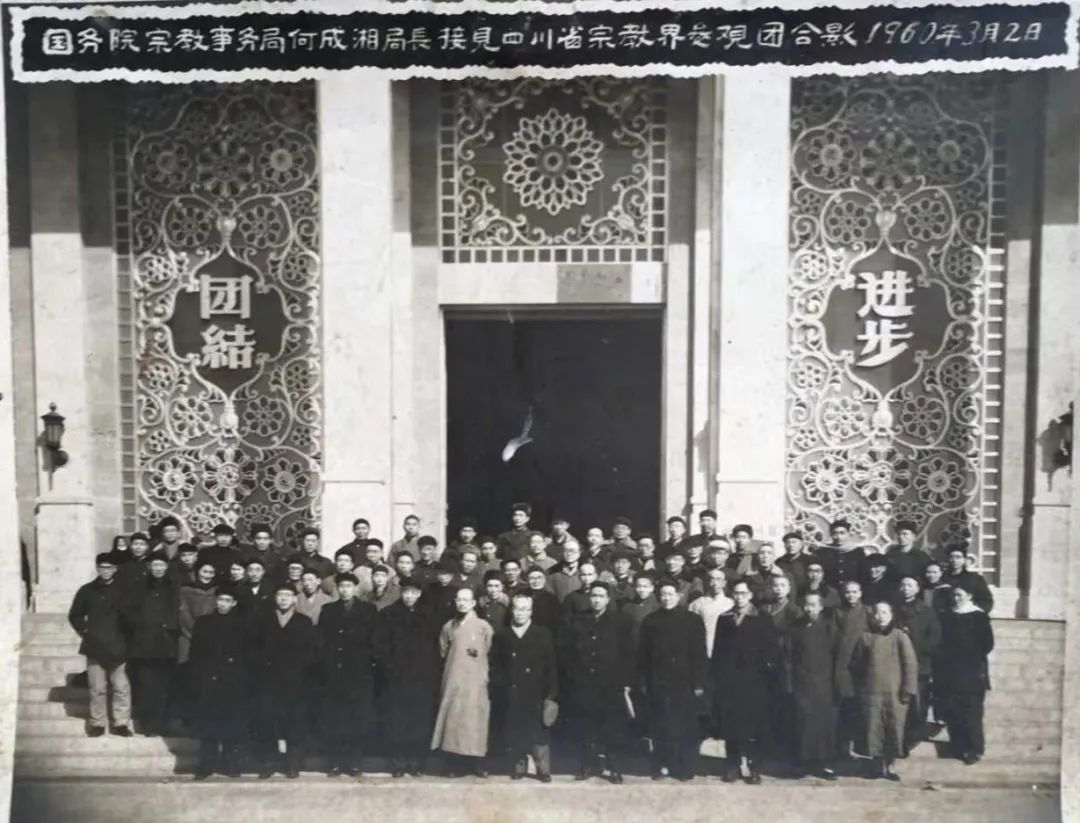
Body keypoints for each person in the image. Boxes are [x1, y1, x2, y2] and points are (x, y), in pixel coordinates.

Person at [561, 581, 632, 783]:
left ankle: (614, 767)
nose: (597, 600)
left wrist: (626, 681)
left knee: (612, 728)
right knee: (586, 726)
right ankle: (587, 765)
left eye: (601, 596)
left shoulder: (621, 621)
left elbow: (628, 653)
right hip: (584, 682)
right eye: (593, 596)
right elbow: (567, 650)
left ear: (608, 599)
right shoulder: (578, 620)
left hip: (610, 683)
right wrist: (573, 675)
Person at [638, 579, 708, 781]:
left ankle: (684, 767)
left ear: (679, 596)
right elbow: (643, 654)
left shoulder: (692, 620)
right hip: (658, 681)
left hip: (684, 683)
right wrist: (643, 682)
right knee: (661, 725)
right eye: (663, 594)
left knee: (685, 726)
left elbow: (699, 654)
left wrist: (698, 684)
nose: (666, 598)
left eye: (670, 594)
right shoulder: (650, 620)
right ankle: (661, 764)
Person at [249, 582, 318, 779]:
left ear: (295, 599)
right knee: (267, 720)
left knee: (294, 722)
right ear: (275, 598)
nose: (284, 599)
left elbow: (311, 651)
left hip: (295, 680)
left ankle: (293, 763)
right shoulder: (263, 620)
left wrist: (298, 667)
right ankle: (268, 762)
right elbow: (252, 647)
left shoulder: (303, 621)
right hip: (268, 680)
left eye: (288, 595)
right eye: (280, 595)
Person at [710, 580, 776, 784]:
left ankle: (755, 768)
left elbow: (770, 650)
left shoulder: (762, 618)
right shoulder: (724, 618)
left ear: (750, 595)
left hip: (754, 681)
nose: (739, 597)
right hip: (729, 681)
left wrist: (765, 676)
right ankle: (732, 766)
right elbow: (718, 650)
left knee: (753, 728)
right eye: (736, 593)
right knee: (731, 726)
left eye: (743, 593)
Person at [375, 579, 441, 777]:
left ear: (419, 594)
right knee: (397, 720)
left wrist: (429, 672)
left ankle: (416, 762)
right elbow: (380, 646)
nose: (409, 596)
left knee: (419, 720)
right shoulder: (388, 614)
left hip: (421, 678)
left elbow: (435, 647)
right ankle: (398, 762)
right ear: (401, 592)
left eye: (413, 592)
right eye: (406, 592)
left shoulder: (429, 615)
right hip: (396, 677)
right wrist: (390, 669)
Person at [490, 593, 558, 782]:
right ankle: (518, 766)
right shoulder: (502, 635)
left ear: (531, 612)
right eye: (517, 609)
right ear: (511, 610)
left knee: (539, 733)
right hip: (511, 691)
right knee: (515, 730)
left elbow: (550, 665)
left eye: (524, 609)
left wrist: (551, 692)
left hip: (536, 691)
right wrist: (499, 685)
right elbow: (495, 665)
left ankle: (543, 769)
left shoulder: (542, 633)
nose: (520, 613)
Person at [848, 601, 918, 781]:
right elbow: (856, 665)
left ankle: (891, 767)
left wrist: (907, 689)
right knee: (873, 731)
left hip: (894, 694)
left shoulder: (899, 636)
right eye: (877, 613)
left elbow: (910, 664)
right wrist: (860, 687)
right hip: (871, 693)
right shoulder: (865, 637)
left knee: (893, 730)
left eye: (885, 613)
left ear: (891, 615)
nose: (881, 617)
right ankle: (876, 766)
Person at [317, 572, 379, 777]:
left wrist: (368, 664)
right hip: (334, 672)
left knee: (357, 718)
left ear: (355, 589)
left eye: (349, 586)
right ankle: (335, 762)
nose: (345, 590)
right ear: (337, 589)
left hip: (359, 672)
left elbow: (374, 640)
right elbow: (321, 640)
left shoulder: (368, 610)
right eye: (342, 586)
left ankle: (355, 762)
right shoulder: (328, 610)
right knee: (335, 718)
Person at [68, 553, 133, 738]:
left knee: (121, 687)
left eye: (109, 567)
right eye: (102, 567)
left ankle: (121, 723)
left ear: (115, 569)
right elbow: (75, 615)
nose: (105, 571)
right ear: (97, 568)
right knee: (97, 688)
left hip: (118, 646)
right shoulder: (87, 590)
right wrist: (85, 632)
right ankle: (97, 723)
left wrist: (127, 638)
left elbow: (132, 617)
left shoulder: (124, 590)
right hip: (95, 646)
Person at [431, 587, 494, 777]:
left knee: (475, 719)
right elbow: (443, 651)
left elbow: (489, 649)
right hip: (453, 677)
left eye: (466, 600)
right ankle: (453, 765)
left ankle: (477, 763)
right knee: (453, 719)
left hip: (476, 679)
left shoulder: (483, 626)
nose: (462, 603)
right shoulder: (448, 626)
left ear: (473, 603)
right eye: (459, 599)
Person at [188, 584, 247, 779]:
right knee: (208, 724)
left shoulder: (241, 624)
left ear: (234, 603)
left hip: (232, 681)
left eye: (227, 601)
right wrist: (200, 675)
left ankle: (231, 764)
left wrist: (238, 675)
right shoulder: (204, 622)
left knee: (231, 723)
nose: (223, 604)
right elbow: (196, 652)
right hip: (209, 680)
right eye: (220, 599)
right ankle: (206, 764)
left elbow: (246, 654)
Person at [935, 584, 995, 764]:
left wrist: (969, 656)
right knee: (953, 711)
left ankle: (974, 749)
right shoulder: (945, 616)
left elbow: (988, 644)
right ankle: (958, 747)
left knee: (972, 713)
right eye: (954, 595)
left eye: (960, 595)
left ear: (969, 596)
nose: (956, 599)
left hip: (972, 673)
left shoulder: (979, 617)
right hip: (950, 672)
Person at [124, 551, 179, 737]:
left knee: (165, 686)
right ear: (149, 567)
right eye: (155, 565)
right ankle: (149, 725)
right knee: (147, 686)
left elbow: (177, 610)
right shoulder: (138, 586)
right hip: (144, 646)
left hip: (166, 645)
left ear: (167, 567)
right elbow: (127, 611)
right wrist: (141, 625)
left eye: (161, 565)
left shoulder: (173, 586)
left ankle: (164, 724)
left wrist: (170, 626)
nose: (158, 569)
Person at [786, 592, 839, 780]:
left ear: (821, 607)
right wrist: (791, 682)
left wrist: (835, 682)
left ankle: (824, 765)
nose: (809, 609)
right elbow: (789, 656)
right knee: (802, 723)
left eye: (813, 605)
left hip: (824, 684)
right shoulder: (796, 627)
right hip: (802, 683)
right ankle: (802, 764)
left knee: (824, 725)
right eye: (806, 605)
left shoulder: (829, 627)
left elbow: (837, 656)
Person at [893, 575, 941, 754]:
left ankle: (913, 737)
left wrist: (914, 650)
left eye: (910, 585)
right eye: (903, 585)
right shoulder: (894, 609)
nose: (906, 588)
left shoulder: (926, 611)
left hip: (919, 665)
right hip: (896, 664)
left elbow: (934, 638)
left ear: (917, 589)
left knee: (917, 705)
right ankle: (899, 740)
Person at [833, 580, 871, 759]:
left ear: (860, 593)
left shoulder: (868, 611)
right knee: (844, 706)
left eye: (855, 592)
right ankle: (843, 747)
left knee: (860, 706)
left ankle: (862, 746)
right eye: (848, 592)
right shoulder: (838, 612)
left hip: (862, 663)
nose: (851, 595)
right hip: (843, 663)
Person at [688, 567, 733, 658]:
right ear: (707, 582)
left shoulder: (731, 604)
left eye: (718, 579)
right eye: (712, 579)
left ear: (724, 583)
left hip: (726, 649)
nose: (715, 583)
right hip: (703, 648)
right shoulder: (697, 604)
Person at [942, 544, 995, 614]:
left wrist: (975, 613)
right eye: (951, 557)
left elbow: (986, 601)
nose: (954, 560)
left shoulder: (975, 578)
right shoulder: (942, 578)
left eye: (958, 557)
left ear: (964, 560)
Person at [820, 519, 867, 590]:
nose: (839, 537)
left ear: (848, 534)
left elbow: (863, 574)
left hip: (851, 592)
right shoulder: (824, 551)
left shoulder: (857, 552)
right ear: (831, 535)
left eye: (842, 533)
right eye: (835, 533)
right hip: (831, 592)